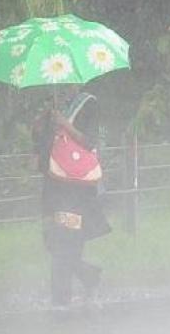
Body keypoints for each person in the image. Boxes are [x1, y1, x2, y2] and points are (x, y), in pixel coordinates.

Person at [33, 85, 111, 308]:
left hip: (75, 190)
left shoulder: (88, 104)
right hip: (53, 186)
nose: (65, 84)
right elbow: (44, 142)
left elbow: (90, 141)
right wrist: (40, 127)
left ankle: (60, 298)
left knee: (66, 240)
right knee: (52, 239)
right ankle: (88, 275)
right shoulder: (55, 107)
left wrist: (65, 125)